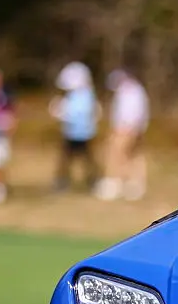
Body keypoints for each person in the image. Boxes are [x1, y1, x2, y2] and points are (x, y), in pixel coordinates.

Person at [93, 68, 149, 201]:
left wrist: (125, 129)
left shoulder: (130, 91)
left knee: (116, 155)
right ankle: (133, 185)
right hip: (133, 128)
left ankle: (114, 184)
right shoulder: (135, 90)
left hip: (126, 129)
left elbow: (130, 112)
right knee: (132, 156)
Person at [50, 61, 100, 192]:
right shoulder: (72, 96)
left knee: (87, 160)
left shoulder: (86, 95)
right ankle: (62, 182)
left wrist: (63, 114)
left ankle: (93, 182)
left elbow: (82, 112)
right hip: (70, 133)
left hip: (84, 134)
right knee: (66, 160)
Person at [0, 66, 16, 204]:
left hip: (0, 135)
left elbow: (13, 114)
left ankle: (0, 189)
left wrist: (10, 127)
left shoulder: (6, 96)